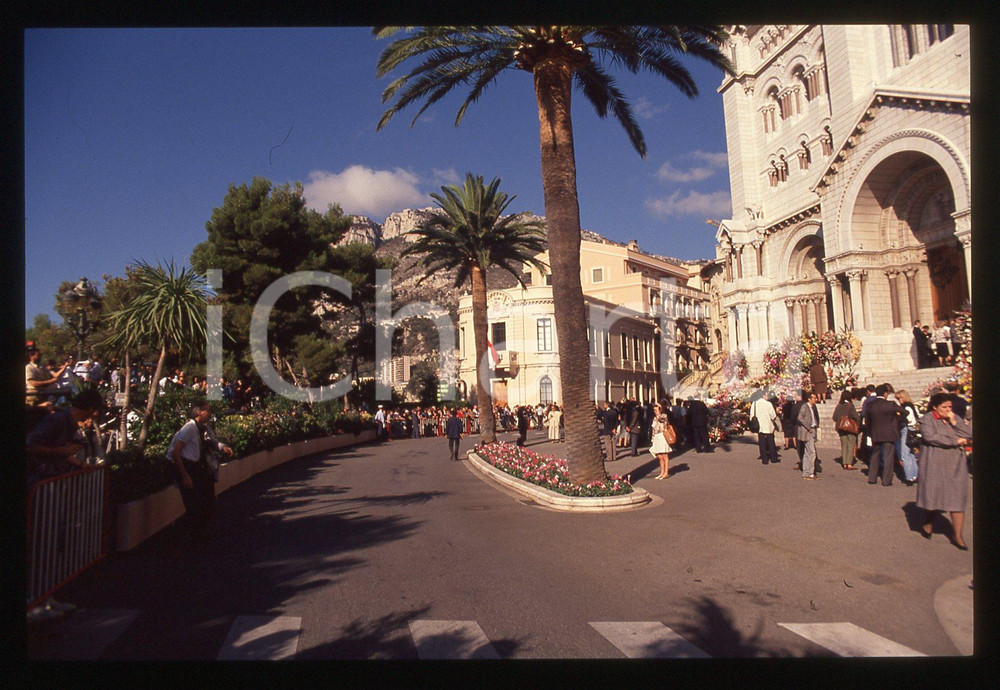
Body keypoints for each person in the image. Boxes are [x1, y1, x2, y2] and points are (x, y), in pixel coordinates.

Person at [166, 399, 233, 552]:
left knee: (207, 501)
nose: (209, 413)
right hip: (185, 466)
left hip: (198, 467)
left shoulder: (204, 428)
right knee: (193, 505)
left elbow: (213, 442)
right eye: (207, 410)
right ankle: (184, 541)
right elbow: (175, 453)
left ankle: (198, 535)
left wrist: (222, 447)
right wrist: (185, 476)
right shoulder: (189, 429)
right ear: (199, 412)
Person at [917, 393, 972, 550]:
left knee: (957, 499)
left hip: (956, 464)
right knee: (934, 497)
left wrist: (956, 424)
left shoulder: (954, 418)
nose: (948, 410)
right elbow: (930, 437)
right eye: (944, 407)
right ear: (935, 407)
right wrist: (955, 441)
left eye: (950, 407)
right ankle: (928, 520)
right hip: (935, 463)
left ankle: (958, 536)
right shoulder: (927, 419)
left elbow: (969, 434)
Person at [864, 383, 903, 487]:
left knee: (875, 455)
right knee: (888, 457)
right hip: (889, 434)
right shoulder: (890, 405)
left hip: (875, 433)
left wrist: (870, 432)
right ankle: (886, 480)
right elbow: (904, 412)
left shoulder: (870, 405)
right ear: (885, 394)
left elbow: (867, 421)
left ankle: (872, 478)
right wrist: (896, 419)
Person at [895, 389, 919, 485]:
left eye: (899, 398)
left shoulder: (906, 407)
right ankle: (915, 475)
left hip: (907, 430)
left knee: (905, 454)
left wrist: (899, 417)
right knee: (911, 454)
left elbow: (909, 420)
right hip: (912, 430)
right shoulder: (911, 406)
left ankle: (909, 477)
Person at [832, 390, 860, 470]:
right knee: (851, 444)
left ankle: (844, 463)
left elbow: (834, 417)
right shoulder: (850, 405)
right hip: (849, 427)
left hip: (840, 427)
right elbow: (855, 416)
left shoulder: (839, 405)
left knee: (844, 445)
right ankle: (849, 463)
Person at [796, 390, 820, 479]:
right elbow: (800, 417)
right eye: (814, 398)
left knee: (807, 452)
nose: (815, 399)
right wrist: (808, 426)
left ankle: (806, 471)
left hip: (812, 429)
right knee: (811, 452)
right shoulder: (805, 406)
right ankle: (810, 472)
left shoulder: (812, 407)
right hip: (808, 430)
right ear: (809, 399)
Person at [750, 391, 779, 464]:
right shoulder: (768, 404)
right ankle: (773, 458)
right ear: (763, 395)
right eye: (767, 395)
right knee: (771, 442)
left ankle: (764, 459)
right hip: (768, 425)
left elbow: (751, 415)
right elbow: (773, 415)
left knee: (762, 443)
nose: (768, 396)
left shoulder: (755, 404)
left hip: (759, 426)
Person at [649, 404, 673, 479]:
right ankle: (662, 472)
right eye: (654, 410)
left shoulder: (663, 416)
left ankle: (666, 472)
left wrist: (658, 413)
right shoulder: (654, 418)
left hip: (663, 436)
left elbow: (662, 420)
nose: (655, 411)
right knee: (659, 456)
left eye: (656, 409)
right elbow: (653, 429)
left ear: (660, 409)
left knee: (664, 455)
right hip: (656, 436)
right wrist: (652, 439)